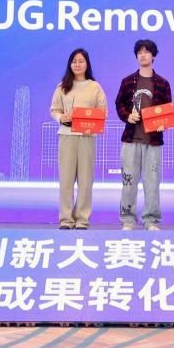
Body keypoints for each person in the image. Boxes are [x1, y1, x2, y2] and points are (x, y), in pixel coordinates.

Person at [114, 39, 172, 231]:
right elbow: (119, 104)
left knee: (152, 183)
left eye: (146, 52)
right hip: (131, 139)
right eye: (139, 52)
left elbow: (167, 109)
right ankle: (127, 219)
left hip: (153, 141)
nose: (143, 55)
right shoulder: (127, 81)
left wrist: (163, 123)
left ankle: (151, 220)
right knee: (128, 181)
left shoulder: (162, 83)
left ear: (153, 56)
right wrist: (127, 116)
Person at [49, 48, 107, 230]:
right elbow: (54, 110)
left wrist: (92, 121)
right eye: (74, 61)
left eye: (81, 61)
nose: (77, 64)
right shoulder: (62, 86)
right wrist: (61, 117)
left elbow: (103, 111)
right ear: (70, 65)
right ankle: (66, 219)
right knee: (66, 180)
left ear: (87, 64)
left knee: (85, 180)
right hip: (67, 136)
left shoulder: (94, 87)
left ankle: (82, 219)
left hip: (86, 137)